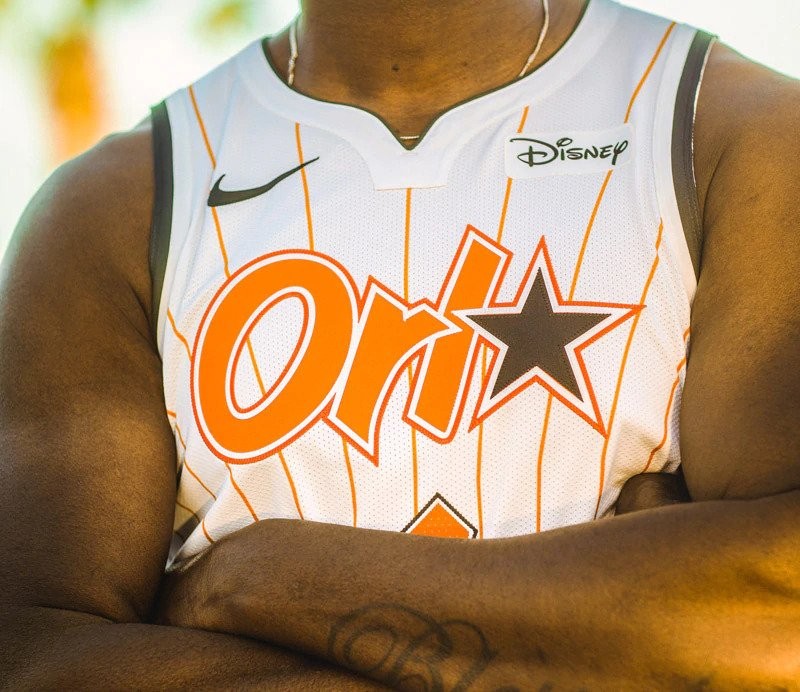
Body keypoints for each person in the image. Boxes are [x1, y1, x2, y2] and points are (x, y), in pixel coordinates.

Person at [1, 0, 799, 687]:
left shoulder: (735, 133)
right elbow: (32, 661)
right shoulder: (110, 211)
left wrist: (265, 578)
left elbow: (778, 609)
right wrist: (615, 635)